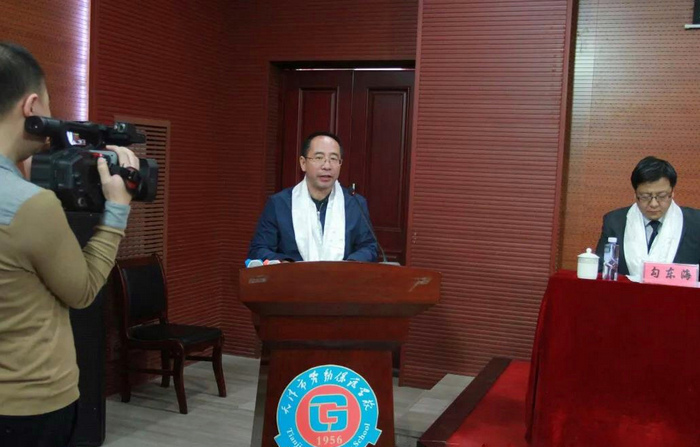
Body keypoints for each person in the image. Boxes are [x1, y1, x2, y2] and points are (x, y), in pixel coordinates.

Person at [0, 42, 139, 446]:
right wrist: (117, 208)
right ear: (32, 107)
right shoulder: (30, 205)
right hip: (28, 404)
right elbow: (82, 290)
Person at [248, 131, 378, 262]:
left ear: (340, 164)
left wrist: (349, 265)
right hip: (293, 274)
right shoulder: (279, 204)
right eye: (319, 157)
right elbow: (259, 249)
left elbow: (369, 247)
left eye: (333, 159)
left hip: (343, 275)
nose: (327, 166)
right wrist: (285, 265)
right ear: (303, 163)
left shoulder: (355, 203)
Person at [595, 156, 700, 277]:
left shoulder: (696, 223)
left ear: (672, 193)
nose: (654, 204)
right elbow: (601, 271)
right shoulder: (614, 222)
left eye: (662, 196)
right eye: (645, 196)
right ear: (635, 195)